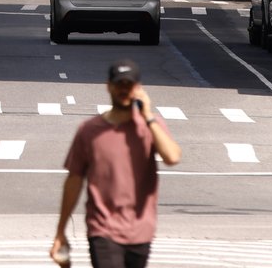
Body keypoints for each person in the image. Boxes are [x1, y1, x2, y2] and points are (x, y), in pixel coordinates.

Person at [51, 59, 181, 268]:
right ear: (108, 86)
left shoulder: (150, 127)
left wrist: (147, 116)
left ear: (138, 89)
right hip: (102, 228)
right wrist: (60, 231)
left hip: (141, 230)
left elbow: (172, 157)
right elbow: (74, 179)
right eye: (119, 84)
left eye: (129, 85)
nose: (124, 90)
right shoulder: (89, 130)